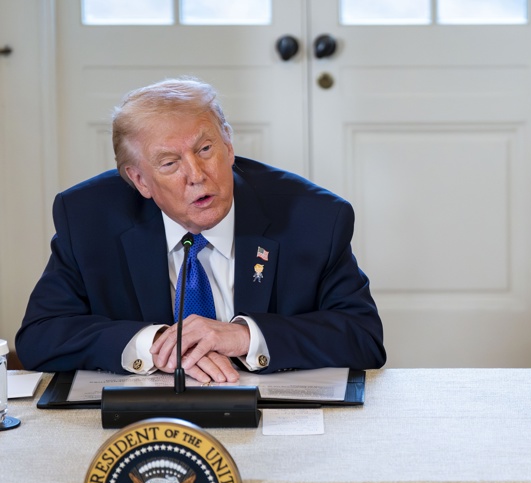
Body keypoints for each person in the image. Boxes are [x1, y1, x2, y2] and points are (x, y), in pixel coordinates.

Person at [16, 77, 386, 382]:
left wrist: (245, 336)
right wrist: (156, 343)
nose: (196, 175)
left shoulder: (315, 217)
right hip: (143, 423)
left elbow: (363, 336)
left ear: (228, 144)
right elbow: (40, 337)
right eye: (169, 163)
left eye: (205, 149)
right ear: (140, 180)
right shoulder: (88, 218)